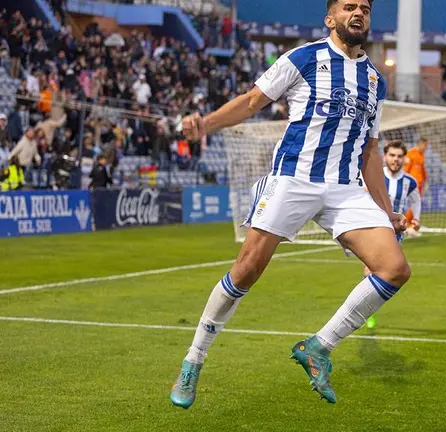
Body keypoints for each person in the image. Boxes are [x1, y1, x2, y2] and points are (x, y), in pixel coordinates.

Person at [169, 0, 409, 408]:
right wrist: (204, 124)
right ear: (330, 18)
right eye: (349, 6)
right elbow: (249, 103)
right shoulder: (303, 58)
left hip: (346, 188)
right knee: (246, 269)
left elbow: (370, 150)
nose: (359, 13)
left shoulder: (374, 79)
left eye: (365, 8)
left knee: (394, 268)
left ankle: (319, 347)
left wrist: (386, 210)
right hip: (294, 179)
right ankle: (194, 358)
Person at [360, 140, 421, 329]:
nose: (395, 159)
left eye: (399, 156)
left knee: (390, 272)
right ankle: (366, 311)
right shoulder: (373, 177)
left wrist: (416, 220)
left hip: (396, 233)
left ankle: (367, 306)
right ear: (385, 156)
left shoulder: (409, 182)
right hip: (373, 228)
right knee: (371, 269)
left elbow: (416, 200)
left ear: (404, 158)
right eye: (392, 155)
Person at [403, 136, 428, 236]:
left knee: (416, 204)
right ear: (420, 144)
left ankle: (411, 225)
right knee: (413, 204)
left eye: (427, 146)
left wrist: (426, 180)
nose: (425, 147)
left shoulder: (422, 155)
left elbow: (422, 169)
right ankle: (408, 225)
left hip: (420, 184)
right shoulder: (411, 153)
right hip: (411, 184)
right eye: (425, 145)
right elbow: (406, 169)